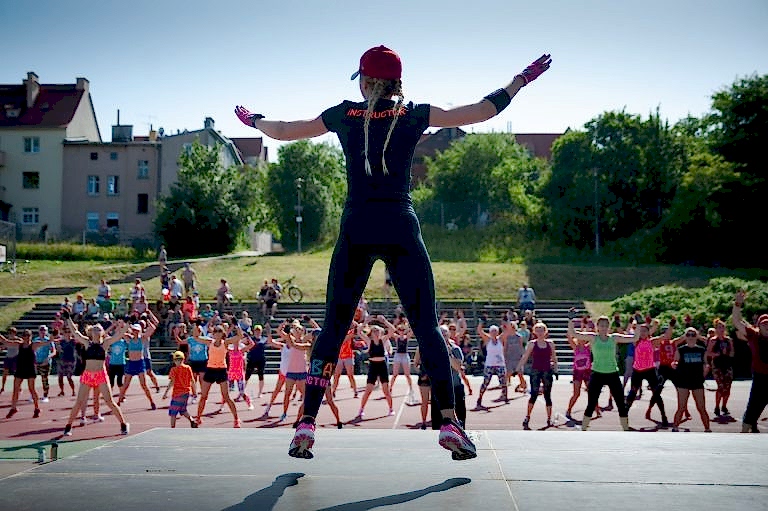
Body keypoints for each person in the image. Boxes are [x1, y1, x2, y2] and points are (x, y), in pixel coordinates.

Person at [236, 45, 550, 460]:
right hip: (401, 224)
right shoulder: (414, 113)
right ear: (398, 84)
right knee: (427, 327)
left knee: (334, 327)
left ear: (365, 82)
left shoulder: (343, 114)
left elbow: (281, 130)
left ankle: (307, 423)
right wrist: (521, 80)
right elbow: (481, 111)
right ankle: (450, 422)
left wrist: (253, 119)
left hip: (357, 227)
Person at [61, 316, 129, 436]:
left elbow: (119, 335)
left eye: (99, 328)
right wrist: (68, 318)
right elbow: (75, 332)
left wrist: (129, 323)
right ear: (91, 331)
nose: (97, 329)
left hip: (100, 375)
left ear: (102, 332)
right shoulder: (87, 342)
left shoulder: (105, 343)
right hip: (87, 375)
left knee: (109, 401)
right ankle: (68, 426)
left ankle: (123, 424)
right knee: (79, 402)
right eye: (95, 328)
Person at [731, 291, 768, 433]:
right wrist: (738, 303)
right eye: (764, 324)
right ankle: (744, 435)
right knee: (752, 409)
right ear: (759, 325)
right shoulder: (753, 335)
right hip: (760, 377)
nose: (767, 326)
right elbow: (736, 320)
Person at [516, 322, 559, 429]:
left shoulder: (550, 343)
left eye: (542, 330)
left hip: (547, 371)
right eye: (538, 330)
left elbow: (554, 357)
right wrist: (518, 368)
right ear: (534, 332)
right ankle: (527, 416)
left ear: (545, 332)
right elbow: (525, 356)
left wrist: (556, 369)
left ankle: (549, 418)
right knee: (534, 394)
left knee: (547, 395)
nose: (540, 333)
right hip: (535, 371)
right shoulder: (532, 343)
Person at [671, 327, 711, 432]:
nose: (690, 337)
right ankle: (675, 428)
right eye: (688, 335)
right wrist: (674, 364)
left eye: (693, 334)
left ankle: (707, 428)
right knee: (681, 407)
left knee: (701, 407)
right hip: (683, 380)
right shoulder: (681, 349)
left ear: (697, 336)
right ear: (685, 337)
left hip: (697, 380)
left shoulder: (701, 350)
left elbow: (706, 363)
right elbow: (675, 361)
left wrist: (706, 370)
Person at [1, 329, 48, 418]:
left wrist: (52, 339)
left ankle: (37, 408)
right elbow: (7, 342)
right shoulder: (19, 344)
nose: (26, 338)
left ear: (30, 337)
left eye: (27, 336)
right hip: (21, 368)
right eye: (24, 336)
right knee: (16, 389)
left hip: (30, 369)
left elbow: (45, 343)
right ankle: (13, 408)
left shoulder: (33, 345)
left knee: (32, 389)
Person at [707, 319, 735, 418]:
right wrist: (717, 354)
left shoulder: (728, 340)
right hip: (717, 365)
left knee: (728, 387)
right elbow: (708, 353)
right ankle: (717, 406)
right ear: (716, 329)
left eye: (723, 327)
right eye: (719, 327)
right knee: (720, 386)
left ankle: (724, 406)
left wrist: (727, 353)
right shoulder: (713, 340)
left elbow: (732, 353)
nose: (721, 329)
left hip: (727, 365)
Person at [162, 351, 198, 428]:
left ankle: (172, 428)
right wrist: (194, 392)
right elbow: (192, 381)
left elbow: (172, 382)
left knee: (173, 412)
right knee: (183, 410)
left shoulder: (174, 370)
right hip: (186, 393)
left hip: (177, 394)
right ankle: (192, 420)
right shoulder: (188, 368)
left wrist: (165, 393)